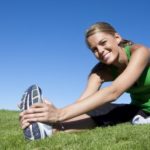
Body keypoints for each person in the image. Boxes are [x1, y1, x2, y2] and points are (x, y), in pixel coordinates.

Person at [20, 22, 150, 133]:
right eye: (94, 49)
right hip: (138, 110)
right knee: (101, 109)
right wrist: (50, 116)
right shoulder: (100, 71)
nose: (100, 51)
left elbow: (114, 91)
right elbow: (83, 102)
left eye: (103, 42)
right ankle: (52, 129)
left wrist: (60, 114)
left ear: (117, 38)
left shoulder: (140, 52)